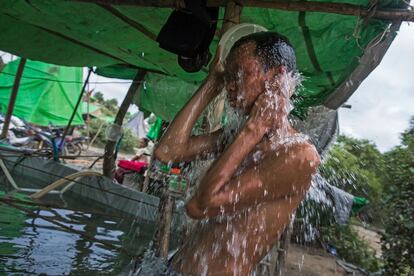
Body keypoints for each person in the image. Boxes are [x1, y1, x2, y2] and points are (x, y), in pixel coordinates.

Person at [154, 32, 320, 275]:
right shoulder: (238, 136)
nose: (230, 85)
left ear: (277, 77)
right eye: (228, 77)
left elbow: (200, 206)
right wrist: (212, 83)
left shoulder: (298, 155)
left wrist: (254, 128)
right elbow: (168, 152)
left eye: (240, 74)